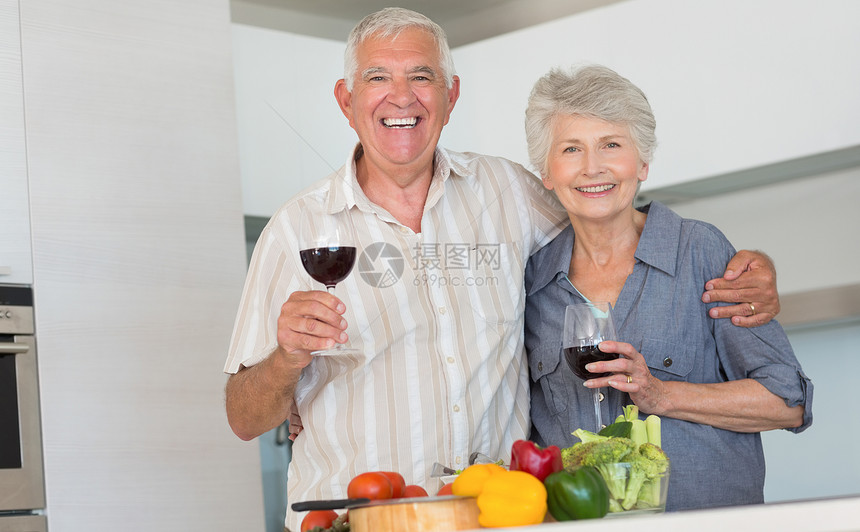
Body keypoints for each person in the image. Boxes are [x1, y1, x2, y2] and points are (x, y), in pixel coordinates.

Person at [223, 9, 779, 530]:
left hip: (496, 515)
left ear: (450, 94)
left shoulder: (508, 191)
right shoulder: (296, 229)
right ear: (346, 100)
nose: (401, 97)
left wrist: (748, 264)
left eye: (422, 76)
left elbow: (605, 208)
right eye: (377, 78)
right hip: (357, 518)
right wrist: (287, 360)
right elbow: (244, 418)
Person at [522, 64, 812, 511]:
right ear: (546, 172)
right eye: (571, 148)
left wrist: (661, 394)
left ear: (642, 162)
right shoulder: (531, 282)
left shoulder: (699, 250)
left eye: (611, 145)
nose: (592, 167)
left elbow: (786, 401)